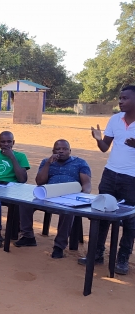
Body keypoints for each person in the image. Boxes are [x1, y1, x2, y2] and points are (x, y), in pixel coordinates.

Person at [85, 85, 135, 274]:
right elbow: (105, 147)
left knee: (130, 220)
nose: (120, 101)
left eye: (125, 98)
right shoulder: (115, 119)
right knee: (102, 213)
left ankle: (122, 258)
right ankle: (96, 254)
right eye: (120, 98)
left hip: (132, 179)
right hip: (110, 174)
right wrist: (98, 138)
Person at [14, 140, 91, 259]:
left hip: (69, 196)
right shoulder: (46, 161)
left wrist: (82, 197)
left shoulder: (80, 163)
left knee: (68, 211)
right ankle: (28, 236)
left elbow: (86, 184)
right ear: (53, 151)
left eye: (64, 149)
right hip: (48, 195)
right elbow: (39, 182)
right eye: (58, 149)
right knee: (25, 203)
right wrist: (48, 164)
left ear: (69, 151)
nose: (61, 151)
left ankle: (59, 246)